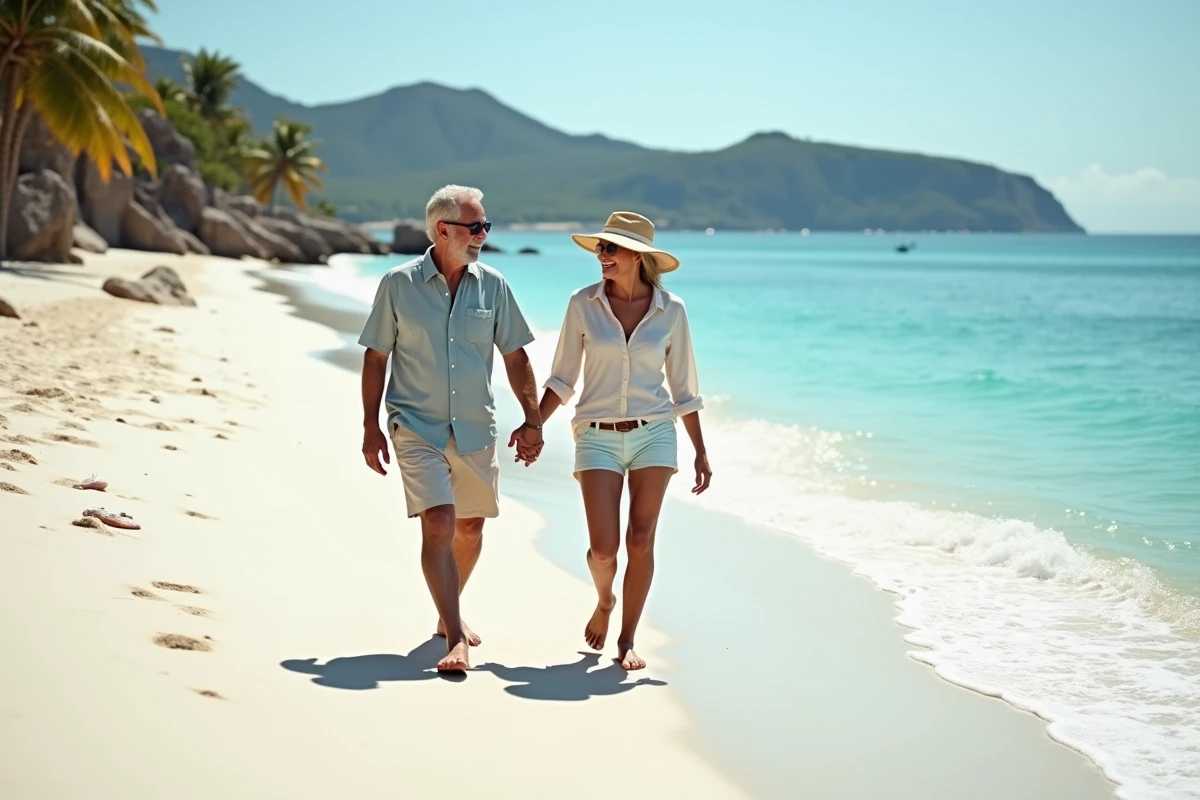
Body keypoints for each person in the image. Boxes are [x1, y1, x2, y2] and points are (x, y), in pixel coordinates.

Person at [359, 184, 544, 673]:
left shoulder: (494, 286)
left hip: (476, 428)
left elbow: (516, 356)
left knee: (470, 527)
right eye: (475, 226)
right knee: (439, 521)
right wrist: (371, 426)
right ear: (443, 230)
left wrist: (533, 420)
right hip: (415, 424)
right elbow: (376, 357)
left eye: (485, 226)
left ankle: (447, 612)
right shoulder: (398, 285)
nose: (483, 235)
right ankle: (456, 635)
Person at [536, 211, 711, 671]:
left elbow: (684, 389)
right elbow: (562, 376)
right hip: (597, 436)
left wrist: (700, 451)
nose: (602, 255)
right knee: (603, 550)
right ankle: (604, 599)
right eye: (600, 247)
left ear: (638, 256)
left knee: (641, 540)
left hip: (655, 433)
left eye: (611, 248)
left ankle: (628, 639)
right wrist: (534, 424)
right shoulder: (582, 303)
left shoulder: (672, 310)